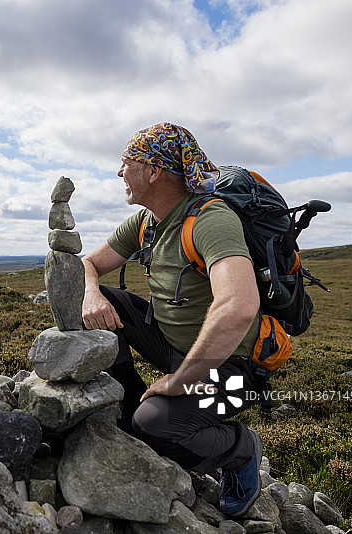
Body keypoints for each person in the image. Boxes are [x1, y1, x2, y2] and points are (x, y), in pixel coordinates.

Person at [81, 122, 263, 517]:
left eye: (127, 162)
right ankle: (131, 408)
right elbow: (89, 263)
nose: (119, 172)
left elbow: (239, 306)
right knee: (100, 306)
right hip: (172, 345)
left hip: (230, 366)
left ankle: (241, 448)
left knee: (156, 426)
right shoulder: (146, 222)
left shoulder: (211, 220)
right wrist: (92, 292)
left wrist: (182, 381)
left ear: (152, 171)